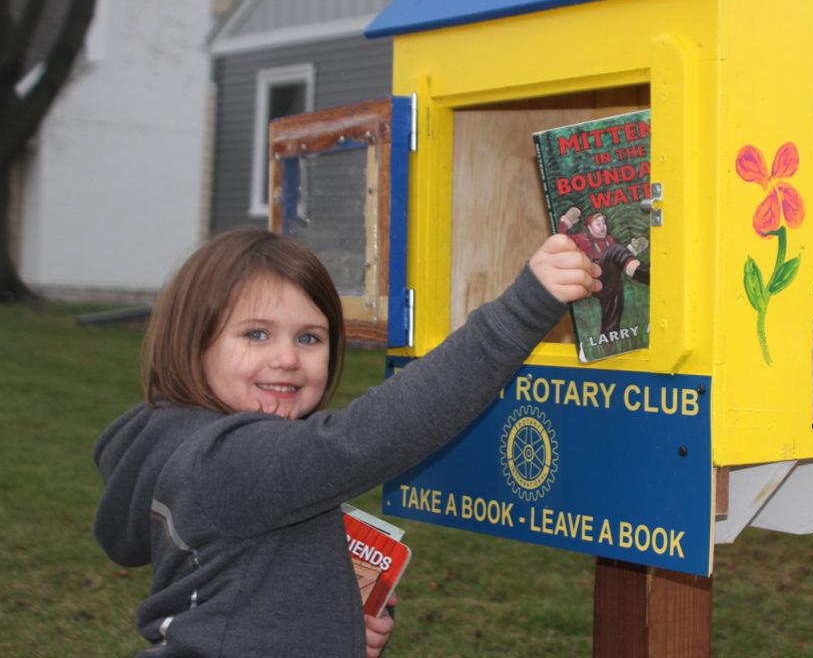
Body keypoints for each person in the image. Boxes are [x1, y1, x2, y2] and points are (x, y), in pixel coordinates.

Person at [93, 228, 598, 657]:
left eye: (309, 338)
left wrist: (327, 623)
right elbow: (371, 437)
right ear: (190, 341)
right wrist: (521, 311)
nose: (288, 359)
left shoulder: (178, 438)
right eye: (256, 334)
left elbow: (239, 585)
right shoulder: (229, 459)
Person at [557, 207, 649, 335]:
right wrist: (566, 221)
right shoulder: (583, 239)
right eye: (598, 224)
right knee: (614, 250)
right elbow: (561, 239)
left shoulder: (609, 241)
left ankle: (610, 335)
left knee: (617, 286)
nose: (602, 226)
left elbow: (616, 260)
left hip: (608, 283)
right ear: (589, 227)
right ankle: (638, 272)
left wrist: (631, 250)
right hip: (591, 279)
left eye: (603, 223)